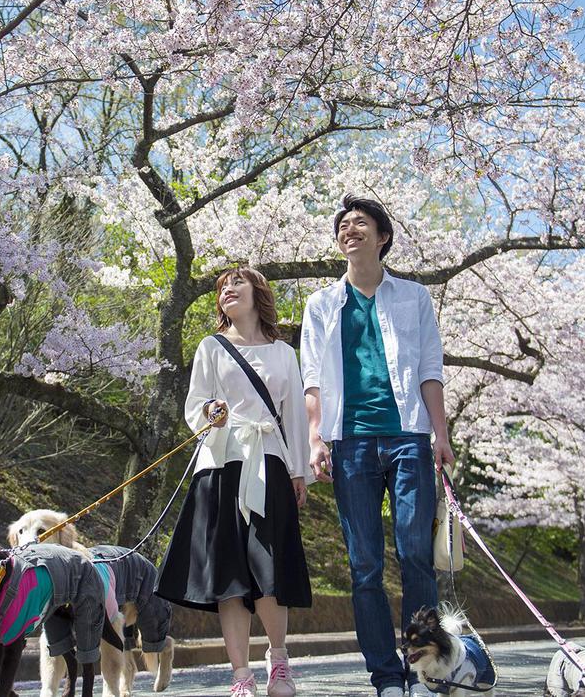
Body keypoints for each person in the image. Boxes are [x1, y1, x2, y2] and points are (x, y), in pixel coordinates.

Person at [301, 194, 455, 697]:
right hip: (351, 444)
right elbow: (313, 381)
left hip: (409, 436)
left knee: (414, 555)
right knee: (364, 566)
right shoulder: (321, 304)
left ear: (382, 236)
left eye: (361, 223)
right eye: (344, 225)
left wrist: (442, 435)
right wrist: (316, 439)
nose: (351, 230)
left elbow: (430, 370)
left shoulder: (413, 297)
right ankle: (387, 677)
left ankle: (422, 667)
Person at [156, 266, 314, 697]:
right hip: (220, 464)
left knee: (269, 569)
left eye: (236, 283)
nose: (227, 289)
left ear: (257, 293)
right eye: (222, 287)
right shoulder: (212, 347)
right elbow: (195, 406)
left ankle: (279, 663)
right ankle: (240, 675)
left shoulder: (284, 353)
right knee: (229, 574)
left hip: (270, 462)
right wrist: (210, 412)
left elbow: (295, 417)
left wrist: (300, 470)